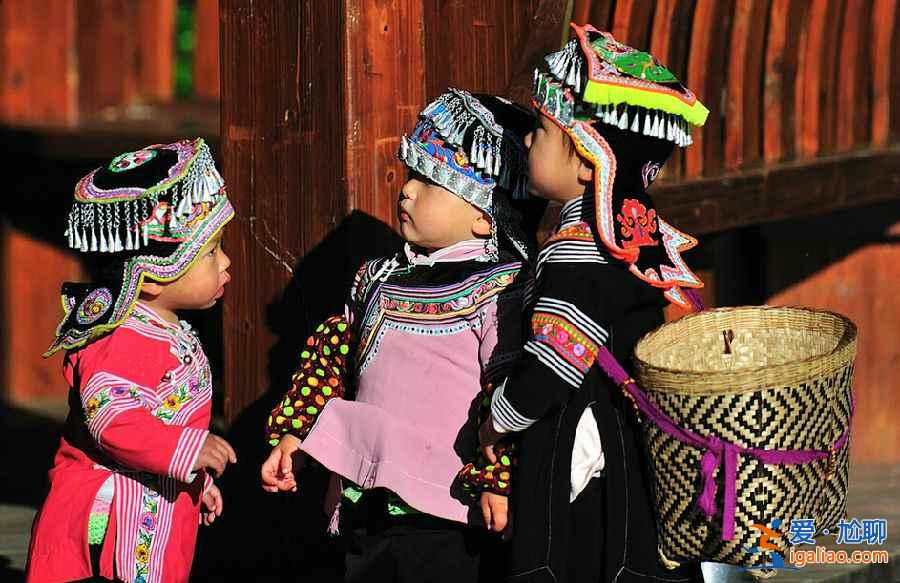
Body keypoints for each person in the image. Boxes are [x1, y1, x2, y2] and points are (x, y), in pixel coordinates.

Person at [261, 89, 543, 582]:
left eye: (430, 181)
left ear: (485, 215)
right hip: (363, 504)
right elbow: (330, 359)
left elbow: (505, 390)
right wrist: (295, 434)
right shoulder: (375, 277)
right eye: (411, 174)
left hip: (446, 514)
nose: (407, 190)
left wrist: (497, 477)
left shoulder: (501, 290)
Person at [478, 25, 709, 582]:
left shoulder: (578, 251)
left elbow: (554, 364)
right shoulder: (631, 241)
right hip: (631, 451)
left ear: (588, 159)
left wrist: (497, 421)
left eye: (540, 130)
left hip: (587, 455)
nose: (526, 142)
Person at [26, 138, 238, 583]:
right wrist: (189, 450)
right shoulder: (121, 339)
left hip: (155, 505)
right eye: (210, 253)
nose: (226, 263)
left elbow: (165, 415)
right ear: (153, 276)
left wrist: (195, 478)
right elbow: (113, 419)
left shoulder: (163, 329)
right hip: (113, 519)